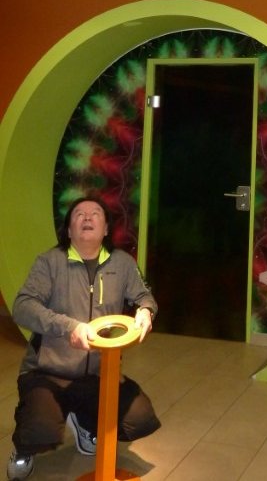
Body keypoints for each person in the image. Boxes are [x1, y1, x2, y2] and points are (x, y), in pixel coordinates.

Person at [7, 195, 161, 480]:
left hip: (100, 372)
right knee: (40, 431)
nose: (87, 217)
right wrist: (69, 327)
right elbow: (23, 307)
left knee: (140, 420)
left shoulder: (122, 263)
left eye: (95, 213)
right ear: (69, 230)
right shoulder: (49, 262)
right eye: (79, 214)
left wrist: (146, 311)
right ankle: (24, 448)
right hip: (49, 372)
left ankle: (84, 422)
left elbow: (144, 296)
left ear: (106, 228)